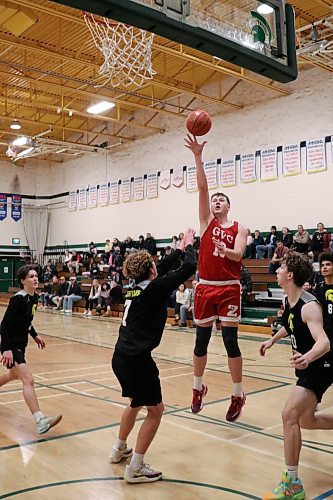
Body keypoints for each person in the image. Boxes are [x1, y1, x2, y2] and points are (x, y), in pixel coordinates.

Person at [110, 228, 196, 483]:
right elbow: (188, 267)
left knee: (136, 402)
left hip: (121, 356)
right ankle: (135, 467)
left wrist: (178, 249)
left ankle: (118, 449)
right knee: (156, 410)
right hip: (137, 360)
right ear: (151, 271)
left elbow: (161, 267)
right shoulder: (154, 289)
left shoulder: (135, 287)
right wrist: (189, 247)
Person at [260, 252, 333, 499]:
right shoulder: (290, 301)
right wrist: (272, 340)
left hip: (320, 366)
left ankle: (292, 484)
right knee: (305, 421)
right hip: (310, 366)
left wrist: (306, 358)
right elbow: (289, 324)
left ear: (290, 275)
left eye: (280, 267)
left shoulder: (310, 305)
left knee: (289, 415)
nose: (277, 270)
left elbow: (324, 343)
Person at [185, 135, 247, 422]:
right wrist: (197, 157)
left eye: (222, 199)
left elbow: (238, 256)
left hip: (229, 288)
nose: (216, 201)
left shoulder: (239, 227)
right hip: (206, 287)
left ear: (229, 206)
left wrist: (226, 250)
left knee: (231, 343)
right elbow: (202, 187)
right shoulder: (205, 222)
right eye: (214, 200)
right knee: (200, 342)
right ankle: (198, 389)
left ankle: (237, 394)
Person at [0, 265, 62, 434]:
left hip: (21, 345)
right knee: (28, 380)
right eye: (31, 276)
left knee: (13, 375)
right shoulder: (18, 299)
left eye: (36, 276)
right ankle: (40, 420)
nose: (35, 279)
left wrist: (34, 335)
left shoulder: (34, 298)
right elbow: (4, 326)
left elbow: (26, 321)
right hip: (11, 346)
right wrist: (6, 350)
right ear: (22, 280)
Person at [315, 252, 333, 350]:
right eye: (322, 265)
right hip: (325, 332)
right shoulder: (318, 287)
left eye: (328, 264)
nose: (324, 267)